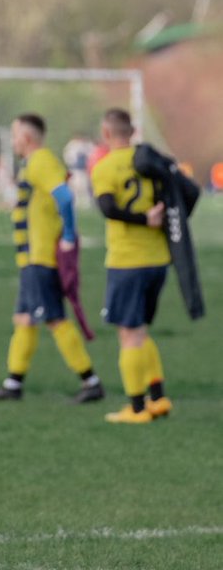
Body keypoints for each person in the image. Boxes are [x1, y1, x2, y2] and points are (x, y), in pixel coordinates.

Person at [0, 114, 103, 404]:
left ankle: (91, 381)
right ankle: (13, 385)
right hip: (30, 260)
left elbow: (65, 197)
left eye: (14, 134)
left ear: (27, 137)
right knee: (23, 319)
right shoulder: (33, 163)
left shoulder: (41, 161)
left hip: (42, 258)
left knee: (55, 319)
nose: (12, 139)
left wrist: (70, 235)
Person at [91, 108, 173, 424]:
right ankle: (159, 397)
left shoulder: (106, 165)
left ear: (106, 133)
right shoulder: (151, 164)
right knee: (141, 331)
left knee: (129, 335)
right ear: (134, 130)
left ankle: (136, 408)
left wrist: (141, 219)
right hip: (158, 260)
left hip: (127, 261)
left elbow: (108, 207)